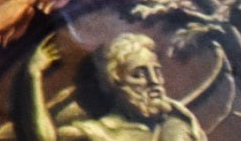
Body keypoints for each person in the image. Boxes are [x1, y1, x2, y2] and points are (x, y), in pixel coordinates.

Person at [18, 33, 204, 141]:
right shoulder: (95, 134)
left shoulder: (179, 124)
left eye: (156, 72)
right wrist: (33, 76)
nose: (154, 81)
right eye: (138, 74)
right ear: (114, 81)